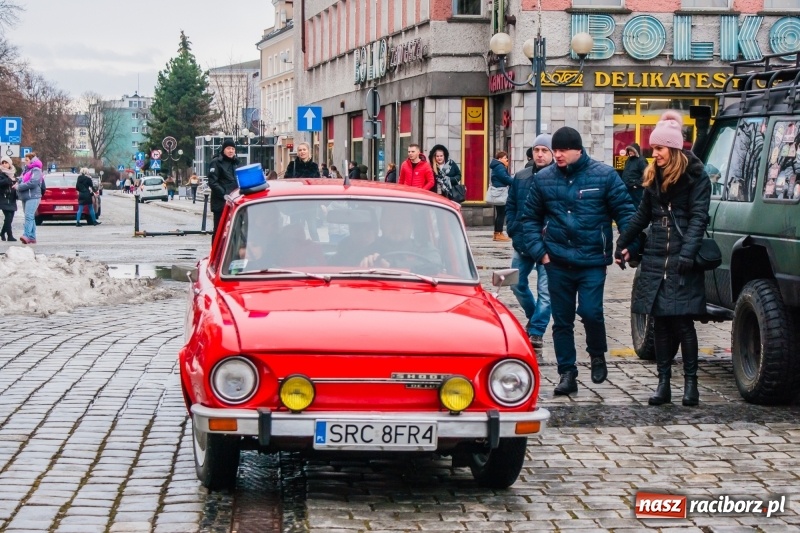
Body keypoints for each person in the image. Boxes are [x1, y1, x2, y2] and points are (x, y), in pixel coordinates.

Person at [520, 127, 638, 396]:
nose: (557, 155)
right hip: (557, 261)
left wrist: (629, 244)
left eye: (562, 150)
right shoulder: (544, 179)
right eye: (555, 150)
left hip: (592, 260)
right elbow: (530, 219)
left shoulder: (604, 175)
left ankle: (597, 354)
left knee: (591, 311)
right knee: (562, 321)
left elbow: (626, 213)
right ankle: (567, 373)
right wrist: (542, 253)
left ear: (578, 150)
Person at [615, 111, 711, 407]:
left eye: (658, 148)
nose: (652, 153)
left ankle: (691, 385)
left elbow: (698, 219)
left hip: (682, 258)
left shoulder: (697, 177)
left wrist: (687, 253)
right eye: (653, 148)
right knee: (660, 323)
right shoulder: (653, 176)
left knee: (683, 323)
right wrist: (623, 241)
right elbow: (643, 215)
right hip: (656, 257)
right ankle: (663, 383)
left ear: (673, 149)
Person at [506, 134, 553, 350]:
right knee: (516, 284)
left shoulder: (559, 177)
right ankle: (534, 316)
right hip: (523, 241)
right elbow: (512, 204)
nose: (540, 154)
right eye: (537, 150)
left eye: (544, 150)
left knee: (546, 291)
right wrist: (513, 227)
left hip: (549, 246)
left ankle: (536, 331)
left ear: (552, 153)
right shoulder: (522, 176)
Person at [358, 204, 442, 272]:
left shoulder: (424, 249)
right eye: (391, 220)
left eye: (403, 220)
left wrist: (392, 266)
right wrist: (365, 265)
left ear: (412, 225)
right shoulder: (368, 251)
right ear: (382, 223)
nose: (397, 226)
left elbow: (436, 265)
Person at [208, 139, 239, 235]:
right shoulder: (216, 162)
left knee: (233, 230)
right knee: (219, 230)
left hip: (234, 201)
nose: (231, 151)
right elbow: (213, 182)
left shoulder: (234, 163)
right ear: (223, 150)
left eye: (233, 149)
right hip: (221, 203)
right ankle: (216, 249)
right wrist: (225, 194)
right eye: (228, 148)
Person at [16, 152, 44, 244]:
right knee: (30, 217)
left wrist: (19, 187)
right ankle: (32, 236)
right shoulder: (26, 170)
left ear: (32, 161)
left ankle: (26, 235)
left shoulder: (36, 170)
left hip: (33, 196)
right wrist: (17, 181)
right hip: (26, 196)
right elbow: (22, 179)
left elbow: (33, 182)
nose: (25, 162)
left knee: (29, 216)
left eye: (27, 160)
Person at [489, 151, 513, 241]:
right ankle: (499, 233)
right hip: (500, 192)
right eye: (505, 158)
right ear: (499, 159)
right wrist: (515, 181)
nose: (506, 159)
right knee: (501, 213)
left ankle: (497, 233)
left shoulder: (497, 166)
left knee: (499, 213)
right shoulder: (500, 167)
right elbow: (505, 178)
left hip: (498, 192)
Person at [621, 142, 647, 207]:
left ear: (636, 151)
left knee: (638, 207)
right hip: (628, 188)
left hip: (637, 190)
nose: (630, 152)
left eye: (631, 150)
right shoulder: (628, 160)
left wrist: (637, 184)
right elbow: (627, 173)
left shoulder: (641, 160)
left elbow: (647, 174)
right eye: (629, 150)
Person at [0, 155, 18, 241]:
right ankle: (10, 235)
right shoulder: (1, 173)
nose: (4, 164)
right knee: (8, 217)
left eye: (6, 162)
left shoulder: (13, 173)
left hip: (12, 198)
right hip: (3, 198)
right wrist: (9, 180)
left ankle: (2, 232)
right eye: (2, 163)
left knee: (10, 218)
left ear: (9, 163)